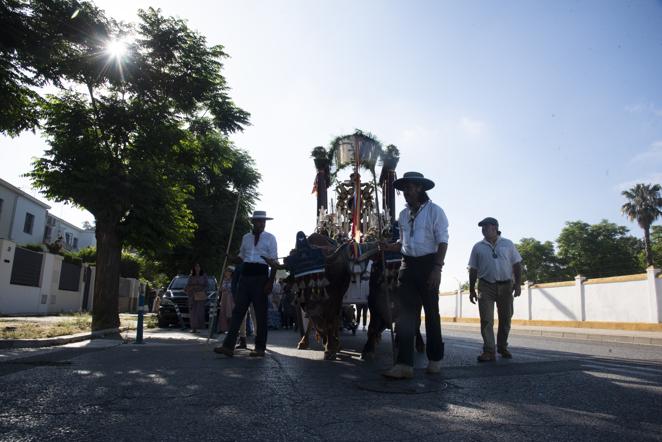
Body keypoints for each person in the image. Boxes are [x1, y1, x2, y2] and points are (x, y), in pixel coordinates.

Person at [379, 172, 449, 379]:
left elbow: (443, 241)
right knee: (405, 316)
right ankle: (404, 365)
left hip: (429, 265)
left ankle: (435, 359)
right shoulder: (402, 215)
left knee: (431, 313)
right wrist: (389, 246)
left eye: (407, 188)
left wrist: (438, 268)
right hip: (407, 266)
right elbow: (403, 243)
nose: (404, 193)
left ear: (419, 188)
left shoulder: (436, 211)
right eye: (403, 190)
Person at [214, 211, 278, 357]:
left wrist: (270, 282)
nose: (262, 224)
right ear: (253, 222)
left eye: (264, 222)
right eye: (259, 221)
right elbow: (241, 257)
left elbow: (274, 262)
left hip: (261, 277)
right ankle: (228, 346)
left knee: (261, 314)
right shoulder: (246, 238)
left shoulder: (270, 238)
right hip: (245, 277)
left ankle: (260, 348)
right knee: (238, 312)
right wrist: (230, 258)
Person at [468, 217, 522, 362]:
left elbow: (517, 264)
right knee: (486, 319)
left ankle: (502, 346)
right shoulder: (478, 247)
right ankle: (489, 351)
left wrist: (518, 284)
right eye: (482, 228)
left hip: (506, 286)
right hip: (485, 286)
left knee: (506, 318)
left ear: (494, 228)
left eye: (485, 227)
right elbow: (473, 269)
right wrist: (471, 288)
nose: (483, 230)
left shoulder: (508, 244)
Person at [185, 263, 207, 333]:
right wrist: (190, 289)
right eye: (195, 267)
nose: (197, 268)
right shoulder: (191, 276)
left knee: (199, 311)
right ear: (193, 268)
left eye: (198, 266)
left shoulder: (204, 275)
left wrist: (201, 289)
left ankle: (200, 327)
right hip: (192, 295)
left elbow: (207, 285)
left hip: (200, 295)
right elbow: (187, 286)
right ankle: (194, 328)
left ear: (200, 268)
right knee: (192, 312)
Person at [217, 266, 235, 333]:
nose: (227, 273)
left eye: (229, 271)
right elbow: (220, 289)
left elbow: (234, 289)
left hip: (231, 298)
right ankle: (223, 328)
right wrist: (221, 290)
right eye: (226, 271)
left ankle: (231, 329)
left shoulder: (233, 280)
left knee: (230, 313)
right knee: (223, 313)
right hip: (224, 298)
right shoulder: (223, 280)